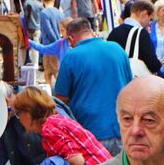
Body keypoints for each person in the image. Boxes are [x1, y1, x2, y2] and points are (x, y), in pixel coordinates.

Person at [53, 18, 134, 154]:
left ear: (71, 38)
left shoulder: (71, 57)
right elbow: (130, 85)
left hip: (91, 132)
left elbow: (61, 98)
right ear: (90, 31)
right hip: (122, 129)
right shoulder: (117, 49)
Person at [12, 86, 113, 165]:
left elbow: (77, 161)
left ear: (28, 112)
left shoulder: (49, 129)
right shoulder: (56, 121)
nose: (19, 119)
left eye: (18, 113)